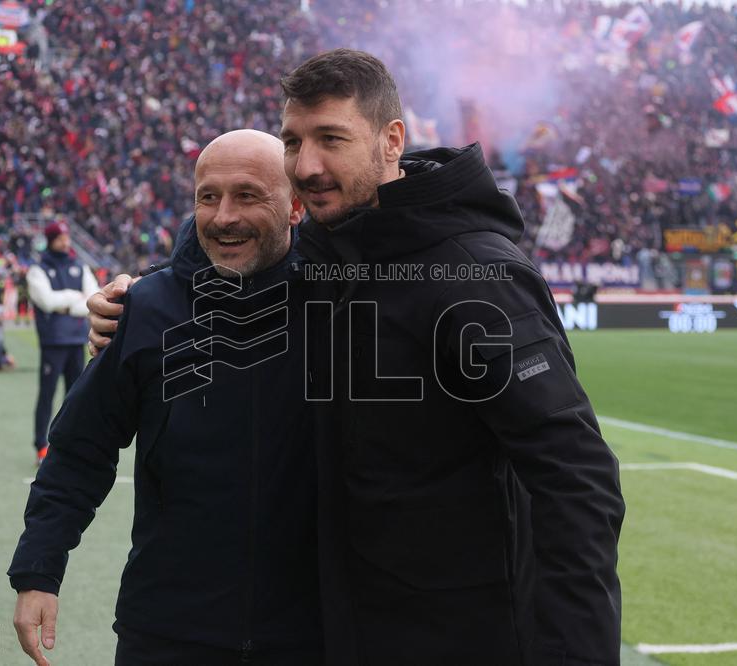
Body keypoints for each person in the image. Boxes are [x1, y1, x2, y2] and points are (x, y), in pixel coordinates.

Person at [91, 49, 624, 666]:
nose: (307, 165)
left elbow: (575, 478)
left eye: (332, 139)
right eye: (292, 142)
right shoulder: (326, 249)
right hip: (340, 630)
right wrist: (135, 300)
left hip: (459, 636)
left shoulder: (474, 276)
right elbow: (232, 246)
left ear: (391, 140)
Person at [9, 130, 321, 666]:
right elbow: (81, 448)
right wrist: (39, 569)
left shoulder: (337, 302)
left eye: (247, 195)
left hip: (309, 634)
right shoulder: (148, 308)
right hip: (167, 632)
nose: (224, 216)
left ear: (295, 206)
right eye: (208, 196)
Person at [26, 221, 99, 465]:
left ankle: (72, 444)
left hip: (77, 340)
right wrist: (74, 298)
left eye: (67, 236)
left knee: (76, 396)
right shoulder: (38, 269)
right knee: (47, 395)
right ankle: (41, 446)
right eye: (61, 238)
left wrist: (67, 306)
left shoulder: (79, 266)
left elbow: (93, 298)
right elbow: (46, 301)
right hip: (53, 342)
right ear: (51, 240)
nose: (66, 241)